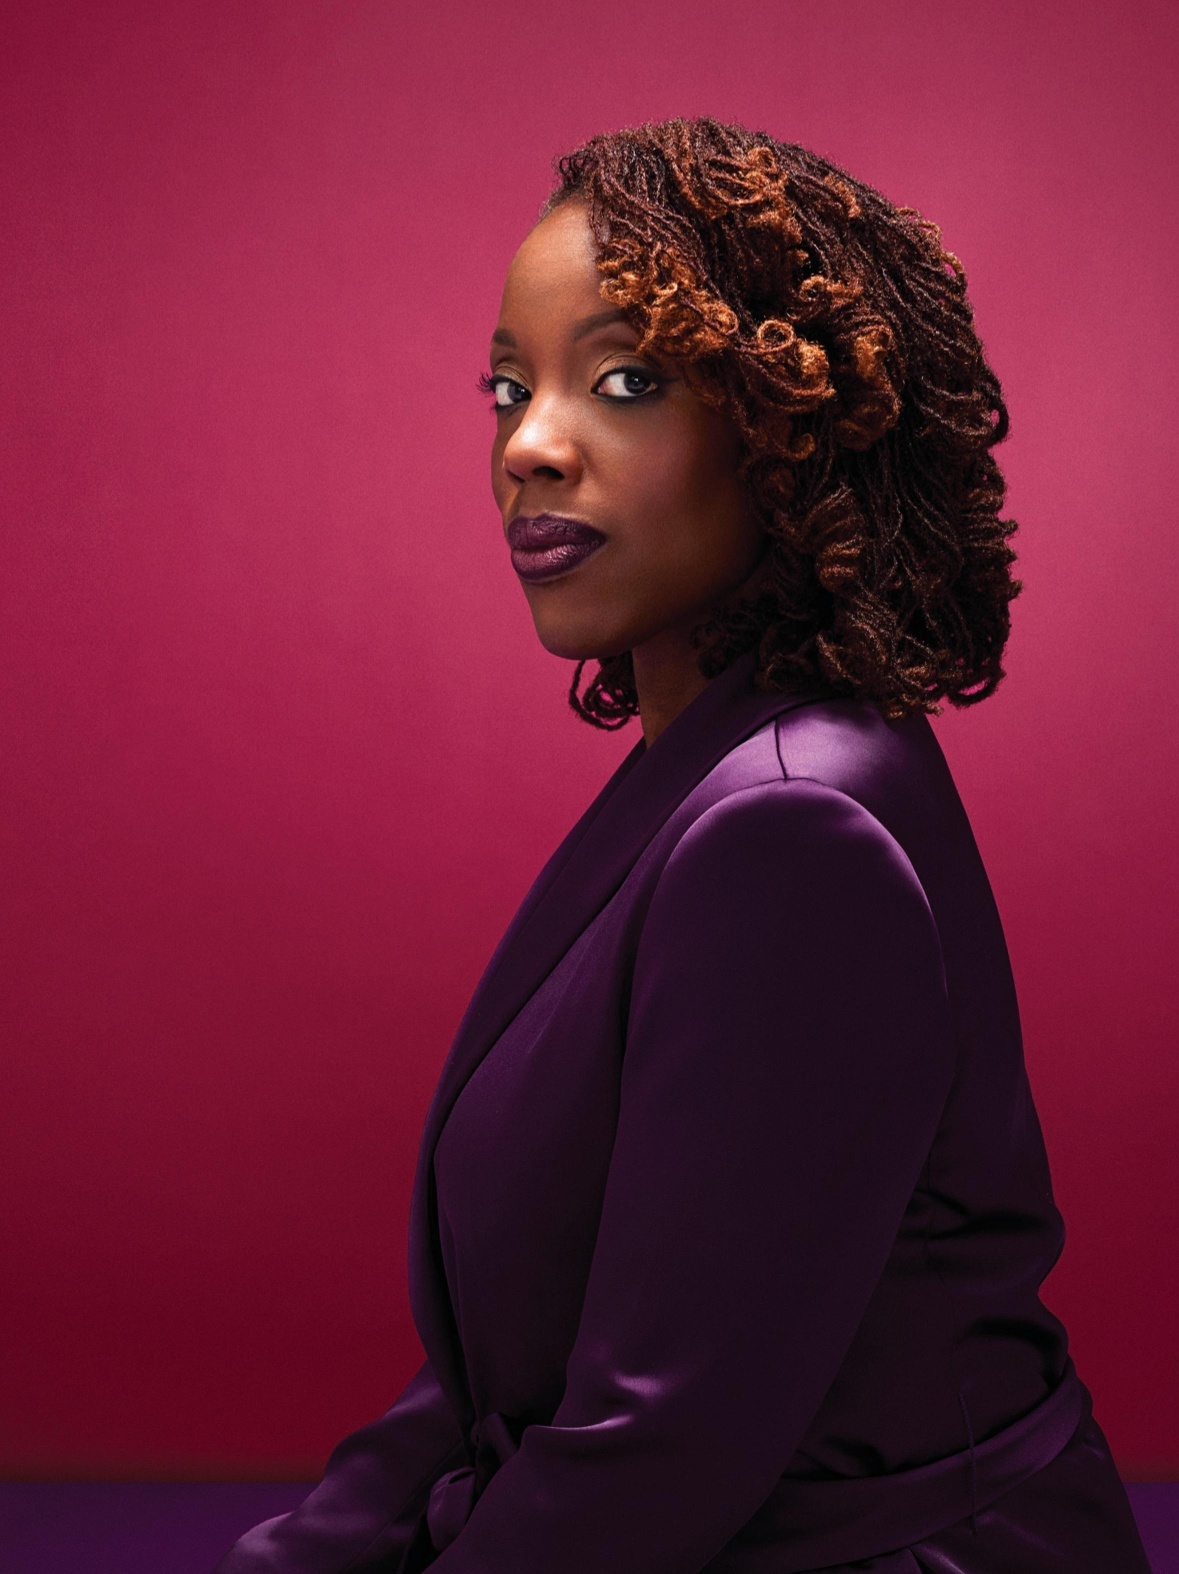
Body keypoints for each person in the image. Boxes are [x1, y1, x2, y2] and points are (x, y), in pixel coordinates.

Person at [215, 117, 1151, 1573]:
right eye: (509, 388)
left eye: (626, 382)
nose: (527, 446)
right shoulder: (710, 769)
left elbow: (650, 1459)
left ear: (788, 420)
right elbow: (509, 1369)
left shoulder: (795, 832)